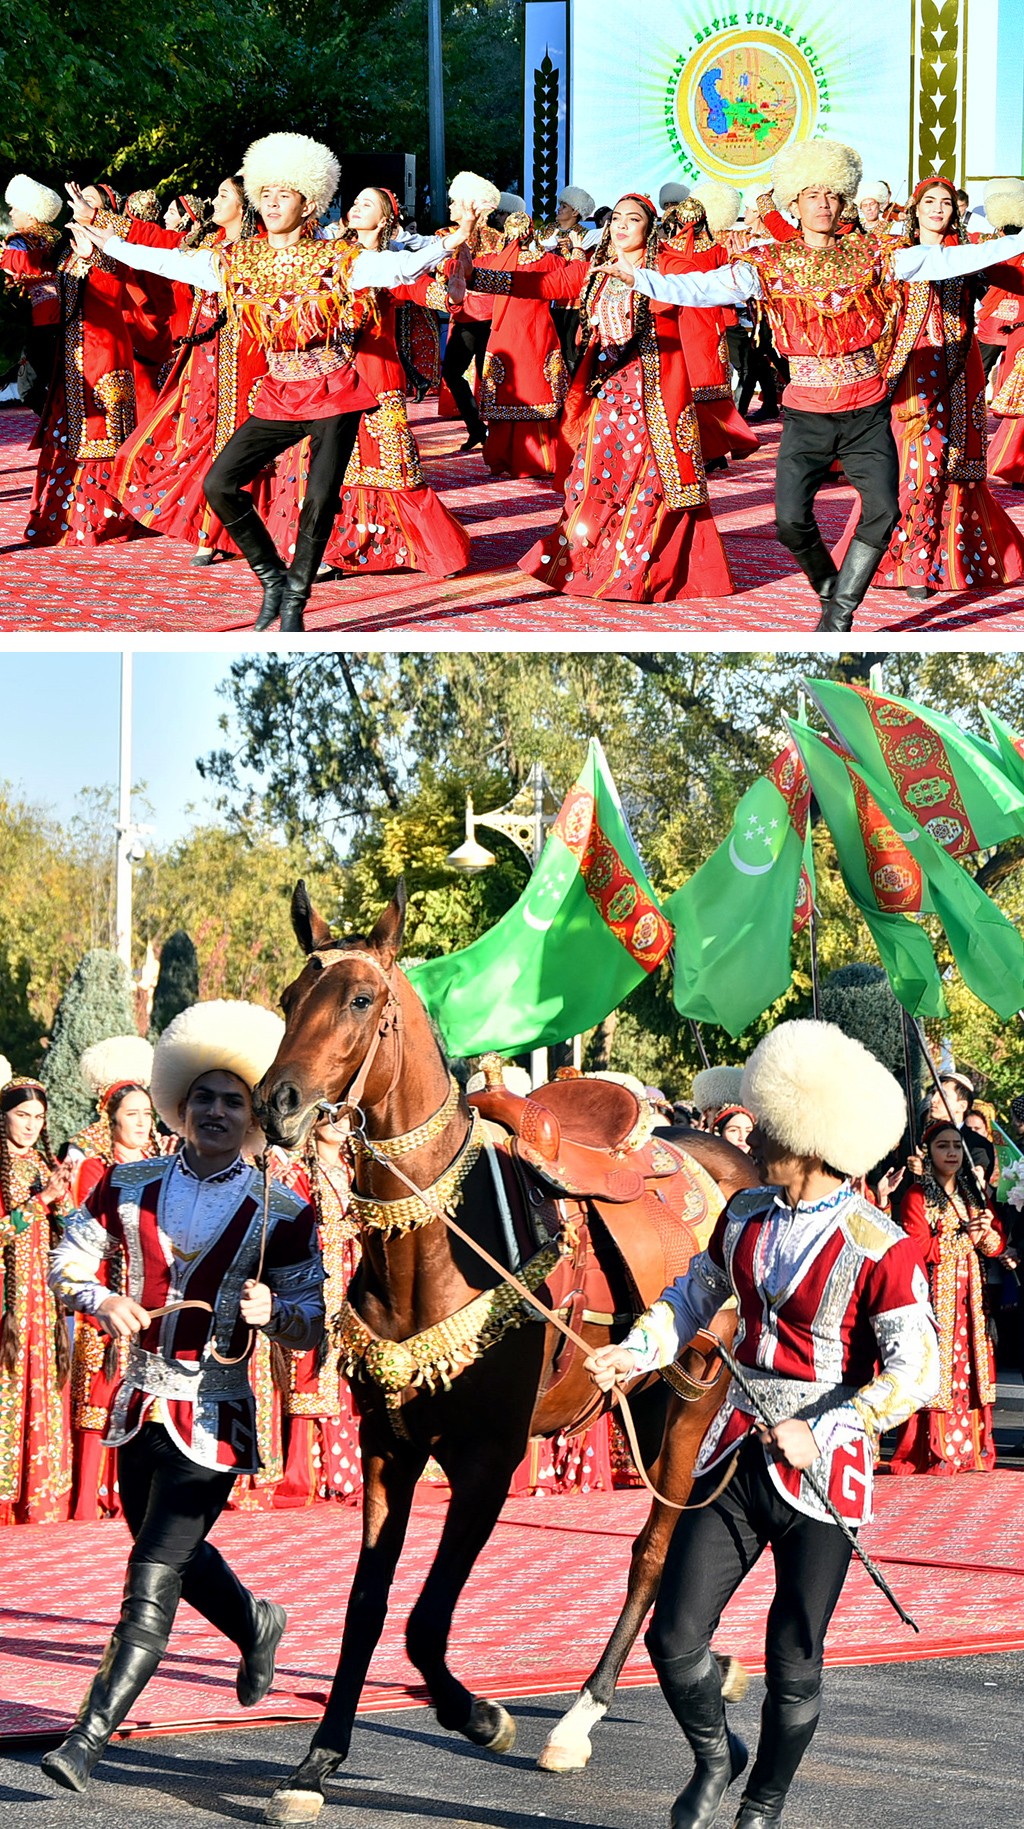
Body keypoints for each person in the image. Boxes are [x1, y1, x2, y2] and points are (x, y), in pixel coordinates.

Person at [586, 1019, 939, 1829]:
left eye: (771, 1128)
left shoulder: (881, 1246)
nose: (755, 1138)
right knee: (673, 1635)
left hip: (825, 1473)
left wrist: (834, 1422)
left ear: (811, 1142)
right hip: (736, 1451)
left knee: (793, 1658)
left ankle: (763, 1807)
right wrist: (633, 1352)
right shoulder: (743, 1211)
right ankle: (718, 1756)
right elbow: (692, 1295)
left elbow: (919, 1370)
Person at [43, 998, 325, 1793]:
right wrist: (102, 1298)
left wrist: (278, 1312)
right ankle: (255, 1621)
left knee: (151, 1572)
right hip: (136, 1408)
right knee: (171, 1552)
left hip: (214, 1417)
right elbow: (68, 1262)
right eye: (204, 1096)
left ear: (254, 1115)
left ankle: (86, 1738)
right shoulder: (126, 1184)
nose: (216, 1111)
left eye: (233, 1100)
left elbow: (313, 1319)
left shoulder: (284, 1209)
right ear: (179, 1104)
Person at [597, 136, 1024, 630]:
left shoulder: (875, 254)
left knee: (884, 512)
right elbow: (701, 288)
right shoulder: (767, 263)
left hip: (867, 413)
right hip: (806, 415)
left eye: (832, 195)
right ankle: (830, 591)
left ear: (843, 202)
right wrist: (641, 280)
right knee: (790, 523)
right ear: (793, 203)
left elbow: (948, 261)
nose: (823, 204)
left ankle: (838, 614)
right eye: (812, 195)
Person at [80, 134, 480, 629]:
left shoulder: (334, 258)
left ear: (307, 204)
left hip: (335, 392)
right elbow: (168, 261)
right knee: (220, 483)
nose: (271, 203)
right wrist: (110, 243)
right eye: (265, 194)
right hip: (280, 394)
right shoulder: (237, 258)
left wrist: (451, 242)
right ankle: (272, 576)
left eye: (283, 194)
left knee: (320, 500)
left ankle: (294, 601)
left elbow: (396, 267)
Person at [464, 192, 734, 603]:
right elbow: (541, 283)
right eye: (617, 218)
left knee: (649, 486)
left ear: (650, 228)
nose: (622, 224)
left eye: (634, 219)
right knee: (595, 479)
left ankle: (635, 573)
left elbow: (699, 284)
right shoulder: (597, 268)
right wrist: (476, 277)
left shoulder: (667, 265)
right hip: (607, 397)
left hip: (654, 398)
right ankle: (588, 564)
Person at [830, 175, 1024, 601]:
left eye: (947, 203)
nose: (938, 209)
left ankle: (947, 559)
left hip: (962, 369)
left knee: (957, 466)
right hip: (913, 368)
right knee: (917, 467)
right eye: (930, 201)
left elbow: (1016, 277)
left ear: (956, 211)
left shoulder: (968, 253)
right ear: (915, 209)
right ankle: (913, 562)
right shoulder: (893, 252)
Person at [264, 184, 470, 581]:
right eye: (356, 202)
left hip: (374, 376)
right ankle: (329, 550)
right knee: (321, 466)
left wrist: (454, 280)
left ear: (385, 218)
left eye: (368, 204)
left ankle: (435, 550)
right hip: (325, 377)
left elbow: (434, 295)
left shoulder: (391, 263)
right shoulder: (330, 256)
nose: (357, 207)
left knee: (392, 466)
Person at [92, 174, 269, 569]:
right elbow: (158, 244)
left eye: (223, 194)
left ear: (245, 206)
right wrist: (100, 220)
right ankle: (212, 529)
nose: (214, 200)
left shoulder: (257, 251)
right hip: (203, 359)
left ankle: (221, 532)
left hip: (242, 361)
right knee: (187, 440)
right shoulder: (208, 244)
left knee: (232, 443)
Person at [62, 1035, 158, 1521]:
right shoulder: (95, 1168)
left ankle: (132, 1495)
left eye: (148, 1114)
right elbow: (83, 1237)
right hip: (106, 1300)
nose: (143, 1123)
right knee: (100, 1395)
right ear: (112, 1119)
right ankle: (88, 1498)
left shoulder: (162, 1166)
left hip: (153, 1301)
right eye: (133, 1114)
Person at [888, 1120, 1003, 1475]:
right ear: (928, 1153)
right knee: (937, 1370)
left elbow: (995, 1244)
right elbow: (917, 1247)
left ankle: (971, 1450)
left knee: (971, 1371)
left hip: (972, 1301)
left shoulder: (973, 1192)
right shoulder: (917, 1195)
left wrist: (984, 1233)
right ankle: (933, 1451)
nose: (951, 1152)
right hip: (937, 1298)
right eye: (943, 1146)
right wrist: (965, 1239)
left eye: (956, 1146)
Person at [274, 1110, 361, 1506]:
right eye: (331, 1116)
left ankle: (350, 1471)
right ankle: (306, 1475)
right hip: (317, 1284)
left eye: (346, 1116)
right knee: (313, 1370)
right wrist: (348, 1227)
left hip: (355, 1282)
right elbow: (292, 1230)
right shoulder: (296, 1172)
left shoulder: (355, 1167)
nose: (341, 1123)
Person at [0, 1075, 74, 1524]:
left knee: (42, 1386)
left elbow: (70, 1233)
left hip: (42, 1304)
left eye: (39, 1118)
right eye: (22, 1115)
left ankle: (39, 1497)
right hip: (6, 1301)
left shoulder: (46, 1165)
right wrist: (40, 1201)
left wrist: (62, 1201)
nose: (30, 1125)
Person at [468, 209, 570, 482]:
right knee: (538, 388)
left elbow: (464, 268)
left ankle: (501, 456)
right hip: (537, 334)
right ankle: (542, 458)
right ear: (531, 234)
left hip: (505, 333)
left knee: (505, 390)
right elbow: (574, 273)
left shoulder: (493, 262)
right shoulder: (549, 261)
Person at [437, 170, 504, 452]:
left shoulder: (496, 239)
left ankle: (489, 432)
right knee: (456, 373)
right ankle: (477, 427)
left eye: (455, 202)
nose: (450, 206)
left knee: (485, 376)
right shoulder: (447, 236)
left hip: (488, 317)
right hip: (470, 315)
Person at [1, 174, 63, 412]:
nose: (11, 213)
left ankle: (57, 426)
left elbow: (18, 266)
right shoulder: (56, 236)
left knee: (28, 389)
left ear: (30, 213)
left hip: (44, 321)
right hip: (69, 316)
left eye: (15, 208)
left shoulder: (19, 241)